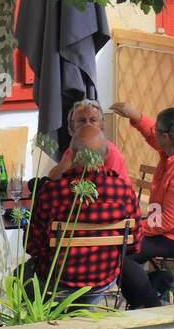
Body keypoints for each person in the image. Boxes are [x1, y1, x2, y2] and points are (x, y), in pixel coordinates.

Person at [25, 124, 142, 300]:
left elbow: (31, 245)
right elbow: (134, 245)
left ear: (70, 156)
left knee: (19, 276)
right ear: (106, 156)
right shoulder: (124, 191)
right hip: (103, 280)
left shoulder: (52, 192)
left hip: (55, 281)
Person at [110, 101, 174, 308]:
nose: (153, 132)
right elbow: (152, 136)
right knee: (120, 250)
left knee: (122, 253)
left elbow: (169, 221)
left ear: (166, 136)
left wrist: (135, 228)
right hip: (167, 229)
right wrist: (136, 116)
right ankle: (140, 301)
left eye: (157, 130)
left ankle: (150, 306)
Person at [44, 99, 131, 186]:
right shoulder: (73, 148)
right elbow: (53, 178)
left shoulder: (110, 152)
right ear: (72, 125)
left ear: (101, 124)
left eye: (93, 120)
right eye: (81, 120)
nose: (87, 125)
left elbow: (111, 190)